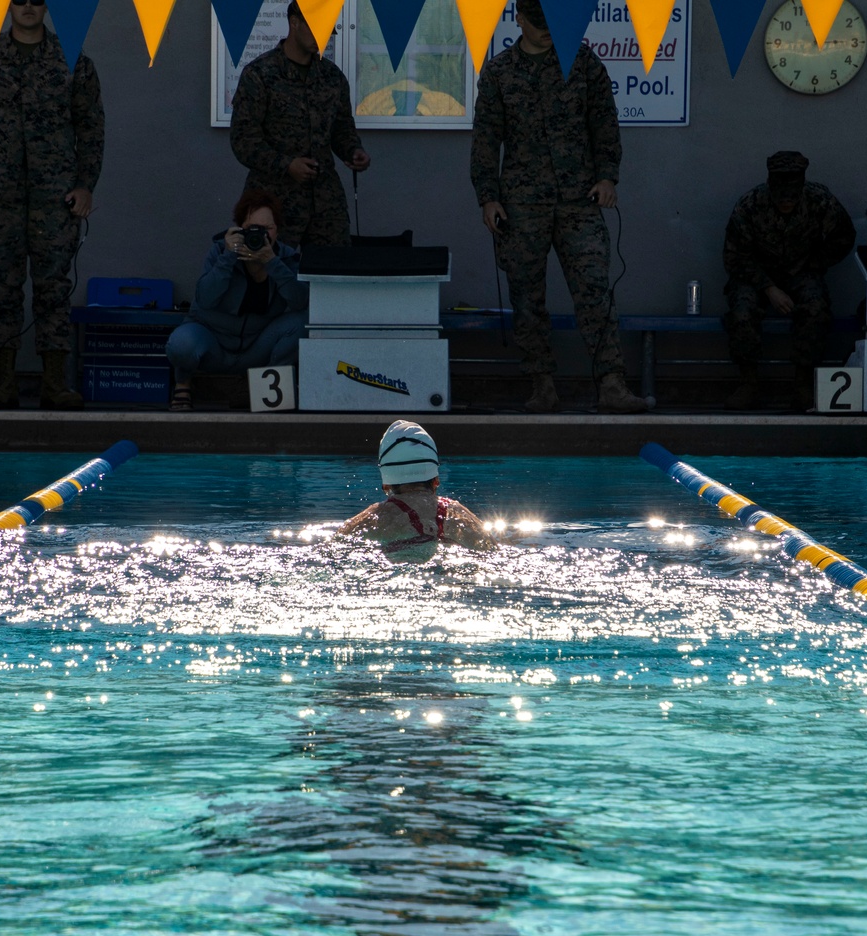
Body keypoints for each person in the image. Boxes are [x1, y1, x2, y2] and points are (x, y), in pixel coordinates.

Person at [469, 0, 647, 415]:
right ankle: (542, 384)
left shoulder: (582, 62)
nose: (545, 30)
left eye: (551, 23)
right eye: (537, 23)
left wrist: (608, 177)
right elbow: (485, 140)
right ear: (519, 21)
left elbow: (604, 122)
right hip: (521, 203)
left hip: (578, 200)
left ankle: (611, 383)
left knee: (594, 291)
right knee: (528, 297)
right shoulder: (499, 72)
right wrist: (487, 196)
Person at [0, 0, 104, 410]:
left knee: (54, 287)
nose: (29, 7)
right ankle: (3, 383)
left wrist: (86, 185)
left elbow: (90, 128)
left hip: (56, 195)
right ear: (8, 7)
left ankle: (55, 383)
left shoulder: (74, 61)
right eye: (20, 0)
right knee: (2, 286)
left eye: (37, 0)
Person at [229, 0, 371, 248]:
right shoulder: (260, 74)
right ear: (294, 23)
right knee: (272, 277)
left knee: (332, 274)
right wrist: (287, 165)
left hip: (325, 206)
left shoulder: (332, 77)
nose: (322, 37)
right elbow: (243, 141)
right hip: (274, 205)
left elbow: (342, 128)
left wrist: (354, 151)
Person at [722, 150, 856, 412]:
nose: (786, 203)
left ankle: (803, 384)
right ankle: (748, 383)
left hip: (802, 271)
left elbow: (844, 236)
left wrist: (813, 264)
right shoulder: (750, 205)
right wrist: (769, 288)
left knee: (816, 308)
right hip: (757, 276)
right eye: (781, 198)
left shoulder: (819, 201)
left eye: (791, 199)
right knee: (741, 311)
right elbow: (734, 257)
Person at [165, 189, 309, 411]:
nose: (260, 236)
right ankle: (183, 383)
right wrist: (228, 256)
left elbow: (300, 301)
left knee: (303, 321)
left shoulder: (285, 257)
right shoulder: (221, 252)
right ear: (240, 228)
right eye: (253, 229)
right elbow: (205, 299)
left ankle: (266, 385)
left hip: (256, 347)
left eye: (267, 229)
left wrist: (272, 264)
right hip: (214, 342)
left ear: (277, 231)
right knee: (181, 344)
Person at [336, 420, 497, 562]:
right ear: (436, 481)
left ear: (386, 485)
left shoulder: (375, 518)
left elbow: (334, 551)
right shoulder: (459, 514)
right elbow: (494, 552)